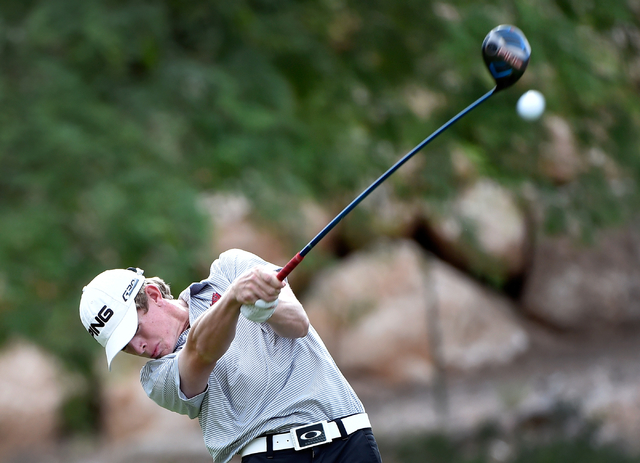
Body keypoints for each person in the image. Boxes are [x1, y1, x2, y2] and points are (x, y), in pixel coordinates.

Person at [79, 248, 383, 463]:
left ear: (154, 296)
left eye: (135, 331)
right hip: (270, 457)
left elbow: (297, 323)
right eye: (125, 346)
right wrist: (235, 300)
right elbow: (201, 351)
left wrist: (265, 308)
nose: (139, 348)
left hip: (350, 440)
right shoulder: (157, 377)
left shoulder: (231, 268)